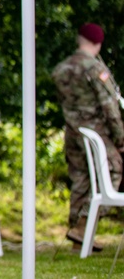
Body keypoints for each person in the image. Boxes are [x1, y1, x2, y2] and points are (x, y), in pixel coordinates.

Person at [52, 23, 124, 250]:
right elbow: (109, 107)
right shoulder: (94, 68)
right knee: (112, 171)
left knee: (81, 180)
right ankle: (84, 225)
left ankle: (79, 238)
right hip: (96, 133)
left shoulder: (61, 69)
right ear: (98, 43)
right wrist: (120, 138)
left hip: (72, 132)